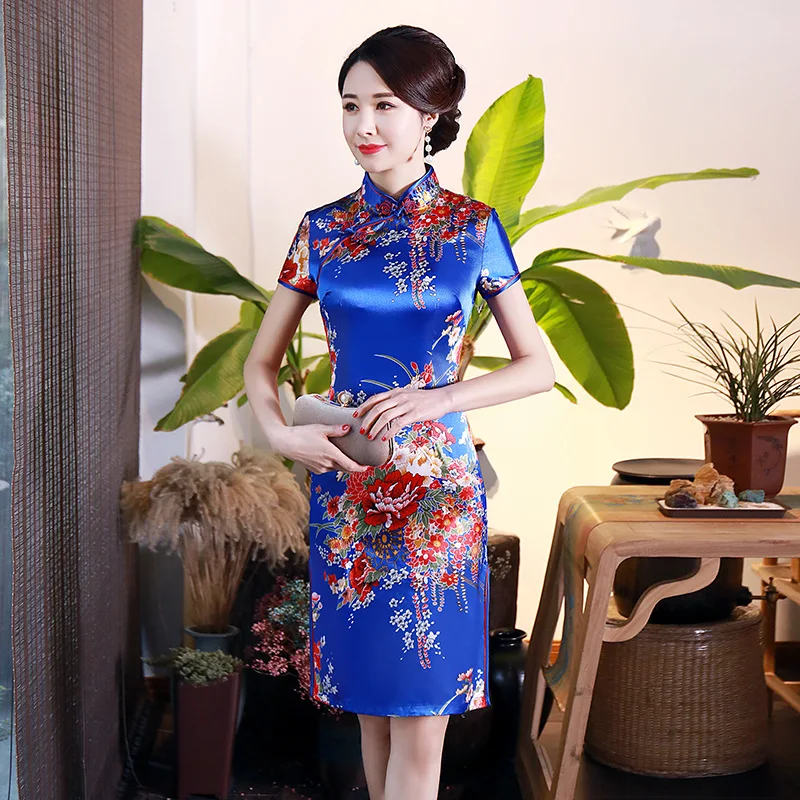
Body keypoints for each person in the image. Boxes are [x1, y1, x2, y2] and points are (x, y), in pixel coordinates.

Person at [243, 24, 556, 800]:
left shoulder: (472, 228)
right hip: (347, 489)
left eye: (384, 105)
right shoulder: (322, 230)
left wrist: (439, 398)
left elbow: (537, 366)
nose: (364, 125)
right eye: (350, 105)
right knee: (373, 716)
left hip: (437, 497)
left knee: (421, 721)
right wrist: (281, 433)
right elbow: (260, 363)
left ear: (430, 113)